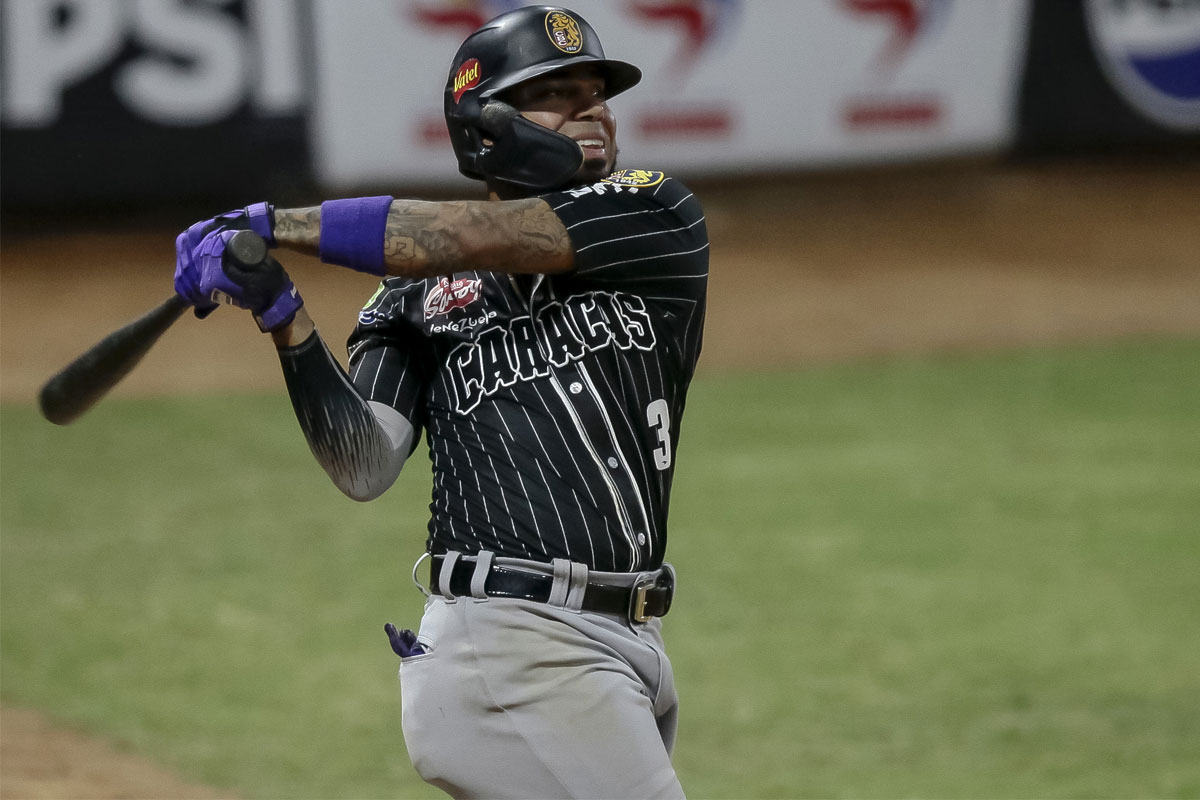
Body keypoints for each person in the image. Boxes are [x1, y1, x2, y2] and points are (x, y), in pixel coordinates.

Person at [173, 6, 707, 798]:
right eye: (558, 92)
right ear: (484, 128)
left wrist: (273, 222)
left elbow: (467, 234)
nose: (591, 109)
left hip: (629, 638)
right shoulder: (415, 299)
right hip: (511, 645)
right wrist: (284, 319)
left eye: (598, 92)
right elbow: (363, 461)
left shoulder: (655, 214)